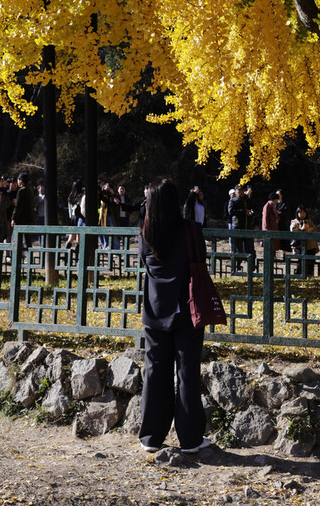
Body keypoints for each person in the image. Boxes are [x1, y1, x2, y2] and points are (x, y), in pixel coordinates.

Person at [138, 177, 210, 455]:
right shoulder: (191, 230)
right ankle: (190, 438)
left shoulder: (146, 234)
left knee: (156, 371)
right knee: (187, 372)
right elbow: (200, 261)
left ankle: (151, 437)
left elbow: (147, 264)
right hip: (188, 309)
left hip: (156, 310)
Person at [289, 206, 318, 277]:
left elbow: (315, 230)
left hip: (310, 245)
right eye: (300, 213)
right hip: (300, 245)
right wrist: (302, 229)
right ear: (297, 213)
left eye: (304, 212)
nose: (302, 214)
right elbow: (293, 230)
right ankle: (299, 275)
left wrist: (310, 229)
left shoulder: (309, 221)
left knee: (311, 261)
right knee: (300, 261)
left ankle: (310, 275)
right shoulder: (294, 221)